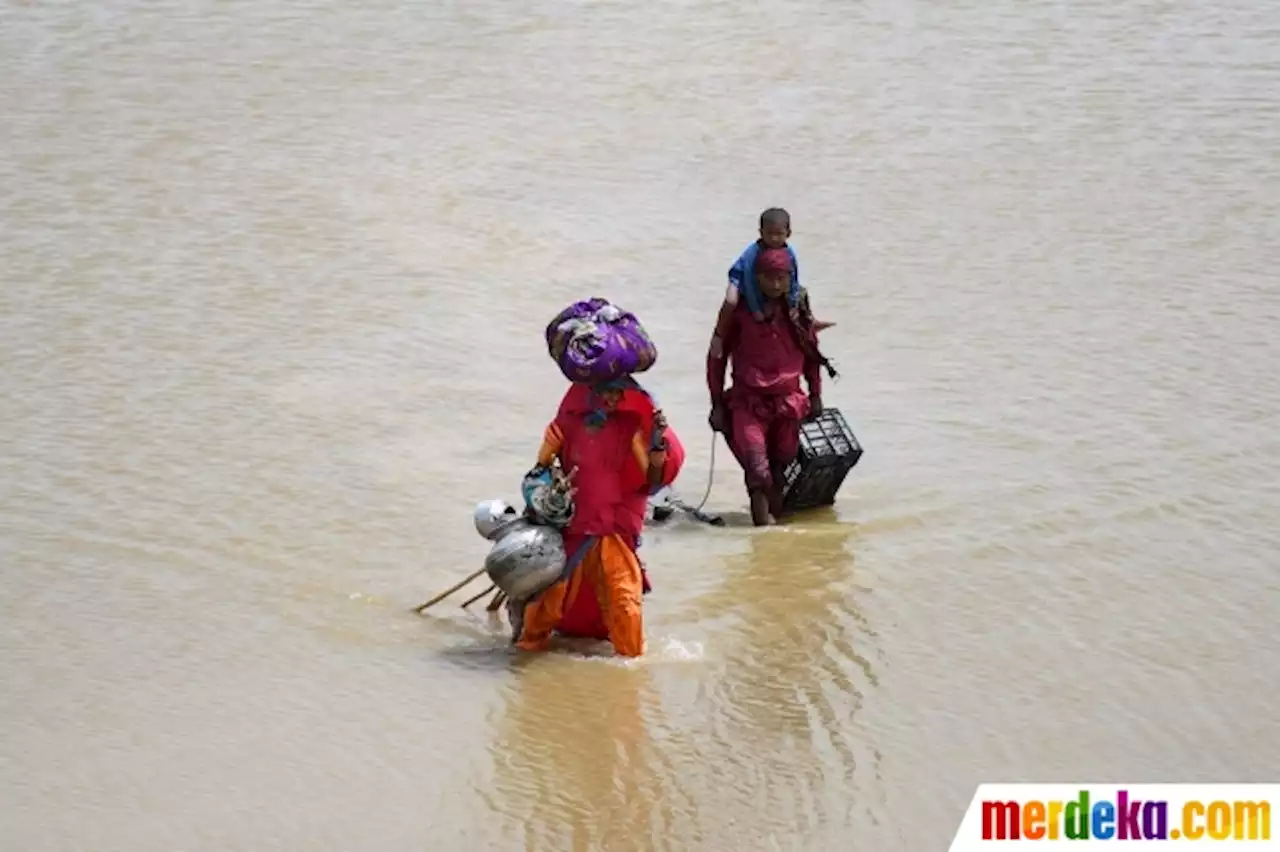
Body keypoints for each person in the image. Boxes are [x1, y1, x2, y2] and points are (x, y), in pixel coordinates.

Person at [513, 377, 685, 657]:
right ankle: (525, 658)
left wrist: (657, 444)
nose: (613, 399)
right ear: (590, 393)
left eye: (618, 393)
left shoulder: (629, 428)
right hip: (573, 531)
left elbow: (650, 481)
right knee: (546, 606)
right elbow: (538, 473)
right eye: (607, 392)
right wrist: (546, 452)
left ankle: (631, 670)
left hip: (610, 532)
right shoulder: (566, 426)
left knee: (625, 602)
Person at [707, 247, 836, 526]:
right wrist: (716, 402)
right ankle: (762, 529)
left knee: (780, 465)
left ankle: (770, 543)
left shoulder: (797, 309)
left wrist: (815, 395)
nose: (776, 285)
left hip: (788, 401)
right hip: (748, 401)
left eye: (782, 278)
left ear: (791, 278)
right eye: (769, 278)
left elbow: (811, 354)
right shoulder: (740, 312)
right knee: (757, 469)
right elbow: (716, 357)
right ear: (757, 278)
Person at [713, 208, 834, 343]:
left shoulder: (789, 252)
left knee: (802, 292)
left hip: (773, 278)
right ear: (761, 233)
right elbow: (749, 281)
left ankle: (811, 322)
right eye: (769, 234)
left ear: (788, 233)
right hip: (742, 278)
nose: (774, 238)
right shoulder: (752, 254)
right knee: (731, 300)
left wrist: (793, 303)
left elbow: (793, 275)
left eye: (779, 234)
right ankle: (719, 335)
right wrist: (756, 309)